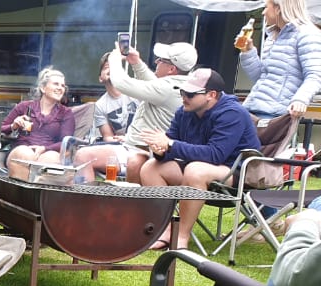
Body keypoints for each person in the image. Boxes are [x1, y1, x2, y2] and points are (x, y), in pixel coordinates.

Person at [138, 68, 260, 250]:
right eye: (182, 92)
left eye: (190, 94)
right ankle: (164, 230)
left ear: (211, 95)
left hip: (237, 173)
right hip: (199, 168)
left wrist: (170, 144)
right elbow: (171, 144)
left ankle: (181, 236)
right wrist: (160, 150)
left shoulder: (232, 113)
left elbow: (215, 155)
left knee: (195, 170)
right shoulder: (184, 112)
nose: (184, 97)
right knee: (151, 168)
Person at [75, 42, 195, 183]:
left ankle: (93, 197)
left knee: (88, 157)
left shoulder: (167, 88)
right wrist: (136, 62)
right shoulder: (179, 85)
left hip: (150, 152)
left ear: (172, 69)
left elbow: (121, 83)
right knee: (84, 155)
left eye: (161, 60)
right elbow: (154, 84)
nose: (156, 61)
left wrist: (114, 59)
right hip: (134, 147)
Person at [236, 0, 321, 121]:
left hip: (274, 114)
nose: (263, 12)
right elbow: (261, 78)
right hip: (252, 108)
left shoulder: (308, 34)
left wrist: (300, 100)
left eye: (266, 7)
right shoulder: (273, 36)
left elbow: (315, 75)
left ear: (278, 9)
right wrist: (248, 51)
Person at [1, 68, 75, 181]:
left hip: (49, 151)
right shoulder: (24, 106)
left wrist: (45, 148)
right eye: (56, 84)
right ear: (43, 88)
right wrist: (13, 126)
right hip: (22, 148)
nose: (60, 88)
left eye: (63, 86)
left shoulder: (66, 113)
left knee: (50, 159)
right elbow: (0, 129)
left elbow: (67, 142)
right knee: (25, 154)